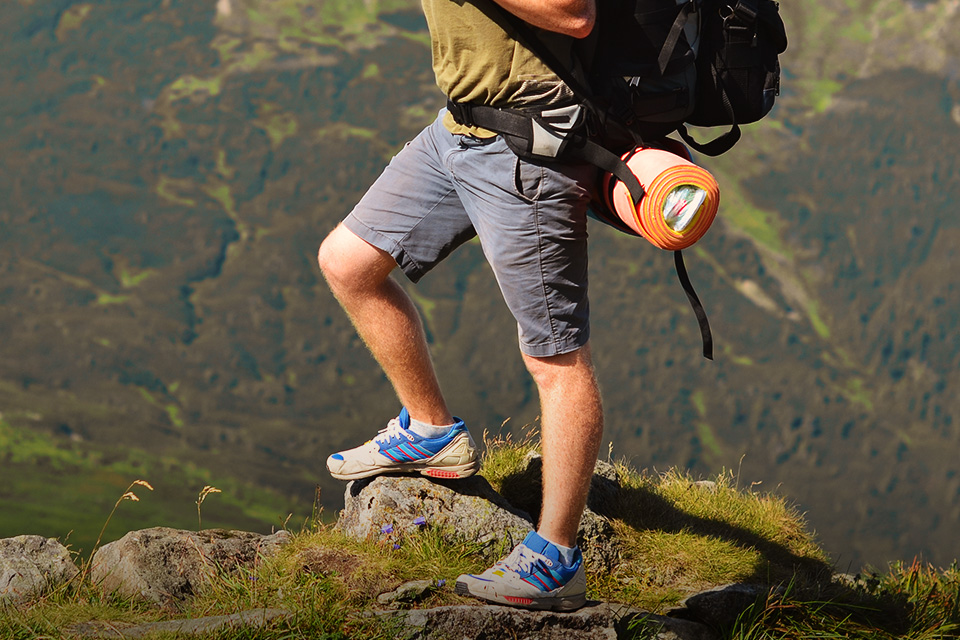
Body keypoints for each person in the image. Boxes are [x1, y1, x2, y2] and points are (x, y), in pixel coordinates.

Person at [316, 0, 601, 612]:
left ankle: (556, 557)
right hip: (457, 129)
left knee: (555, 357)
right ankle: (431, 431)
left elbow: (574, 13)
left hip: (528, 142)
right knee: (349, 262)